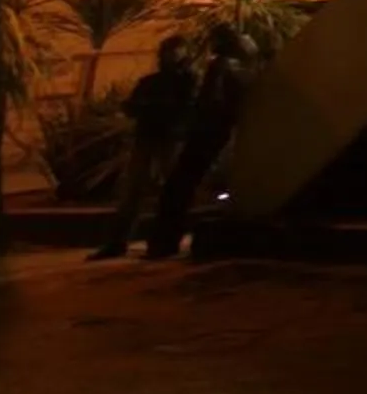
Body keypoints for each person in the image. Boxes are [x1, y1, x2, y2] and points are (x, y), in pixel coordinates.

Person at [138, 23, 259, 261]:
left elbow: (212, 100)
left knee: (177, 187)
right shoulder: (244, 70)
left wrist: (197, 119)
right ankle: (167, 241)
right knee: (184, 185)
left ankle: (164, 242)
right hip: (218, 132)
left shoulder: (220, 67)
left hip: (205, 132)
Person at [89, 34, 199, 260]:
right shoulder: (154, 82)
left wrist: (154, 109)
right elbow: (134, 106)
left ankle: (164, 240)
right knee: (135, 191)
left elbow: (186, 108)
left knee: (170, 191)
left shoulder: (187, 81)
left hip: (169, 138)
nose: (170, 56)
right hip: (151, 137)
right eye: (168, 51)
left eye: (175, 51)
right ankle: (120, 241)